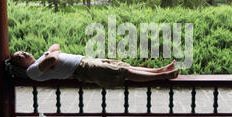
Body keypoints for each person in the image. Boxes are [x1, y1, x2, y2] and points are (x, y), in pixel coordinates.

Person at [11, 43, 178, 88]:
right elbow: (54, 58)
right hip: (83, 70)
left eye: (22, 52)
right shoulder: (32, 71)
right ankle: (162, 76)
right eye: (19, 57)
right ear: (21, 65)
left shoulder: (41, 59)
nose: (24, 54)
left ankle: (160, 69)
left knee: (123, 66)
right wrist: (50, 55)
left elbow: (55, 46)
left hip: (85, 61)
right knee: (122, 73)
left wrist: (49, 53)